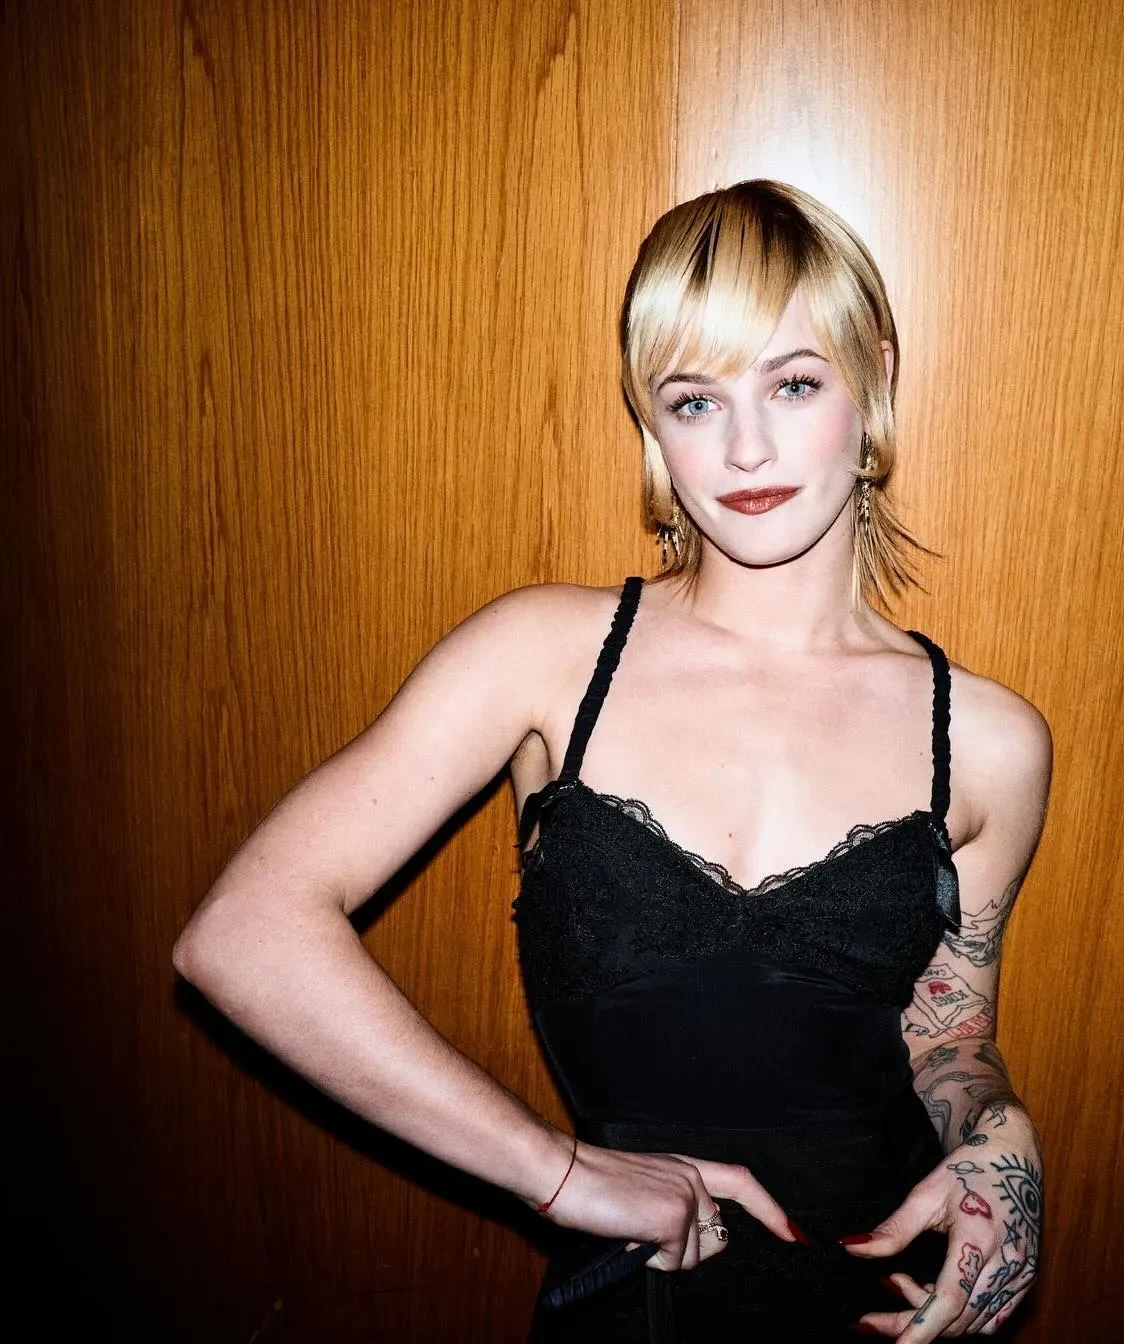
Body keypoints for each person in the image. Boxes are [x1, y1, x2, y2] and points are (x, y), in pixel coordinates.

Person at [173, 179, 1051, 1343]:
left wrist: (998, 1134)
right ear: (651, 420)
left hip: (884, 1306)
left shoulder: (985, 741)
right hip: (632, 1306)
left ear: (873, 377)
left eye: (794, 384)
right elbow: (245, 933)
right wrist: (555, 1171)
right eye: (694, 400)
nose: (745, 446)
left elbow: (947, 1036)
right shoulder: (544, 655)